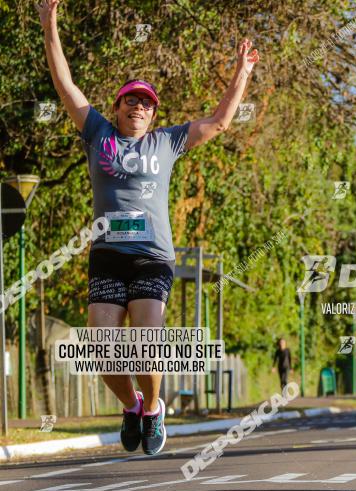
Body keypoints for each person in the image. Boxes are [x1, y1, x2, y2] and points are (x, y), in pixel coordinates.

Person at [39, 0, 258, 455]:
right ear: (117, 108)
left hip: (152, 255)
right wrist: (49, 22)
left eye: (146, 102)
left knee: (146, 344)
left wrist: (243, 72)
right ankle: (133, 404)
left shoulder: (167, 141)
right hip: (106, 254)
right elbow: (65, 84)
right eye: (131, 100)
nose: (138, 106)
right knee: (102, 353)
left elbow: (219, 123)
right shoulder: (98, 132)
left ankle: (155, 408)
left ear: (153, 116)